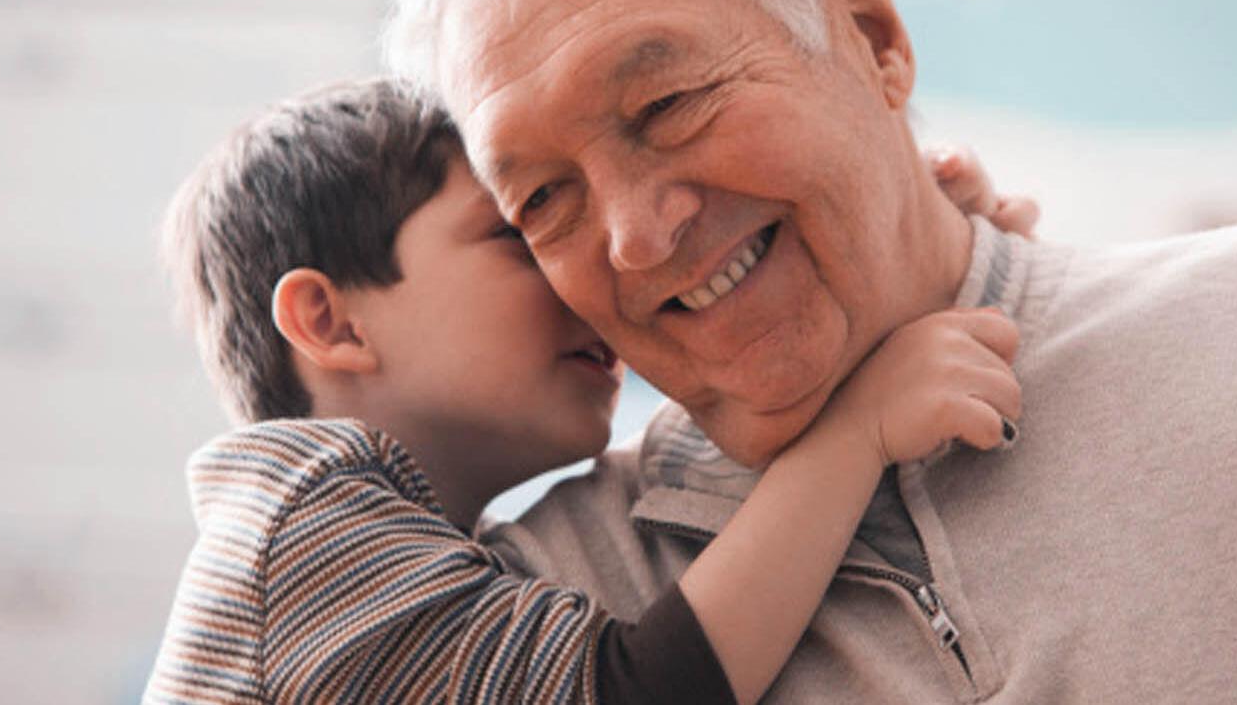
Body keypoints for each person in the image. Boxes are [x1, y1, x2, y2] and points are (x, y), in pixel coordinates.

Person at [382, 0, 1237, 702]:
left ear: (873, 36)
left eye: (666, 102)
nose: (636, 235)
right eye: (545, 199)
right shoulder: (528, 608)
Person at [144, 78, 1034, 704]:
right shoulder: (300, 536)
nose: (588, 270)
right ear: (332, 323)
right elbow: (635, 690)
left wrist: (907, 269)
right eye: (518, 232)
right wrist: (858, 431)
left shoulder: (393, 545)